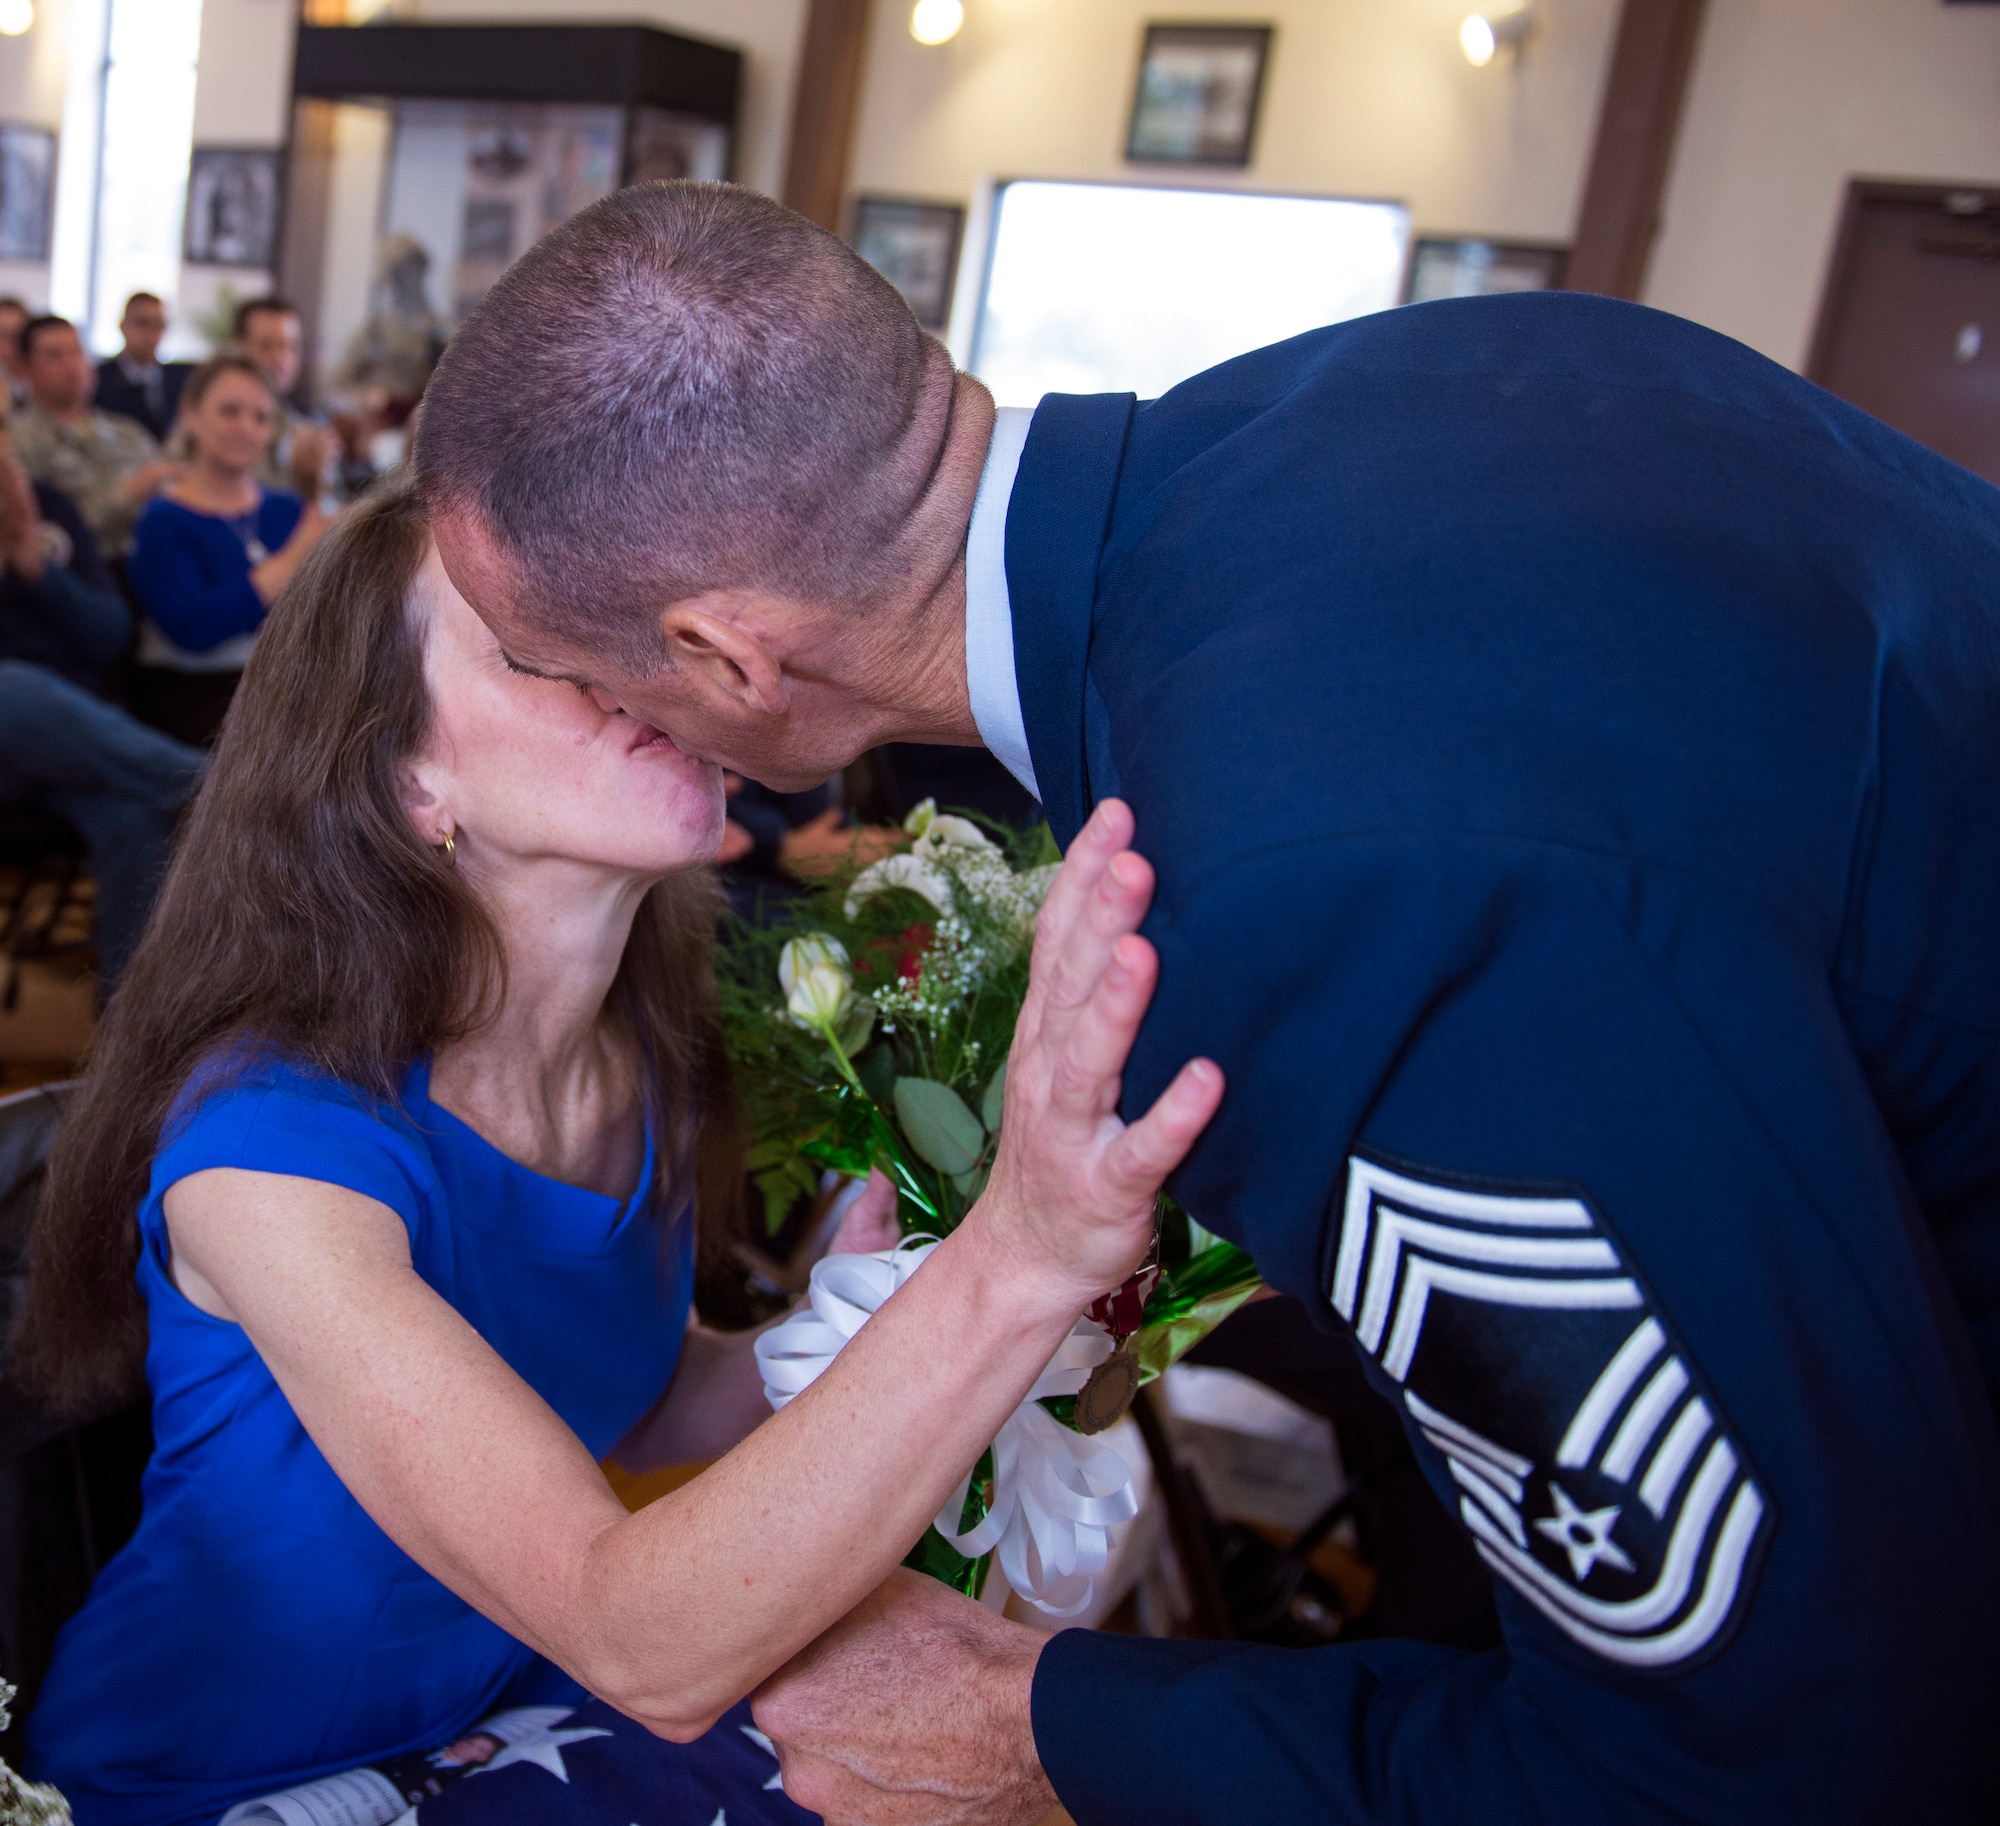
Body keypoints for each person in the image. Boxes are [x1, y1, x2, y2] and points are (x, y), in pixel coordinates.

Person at [411, 182, 2000, 1825]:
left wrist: (1044, 1738)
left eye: (589, 678)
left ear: (729, 657)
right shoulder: (1449, 368)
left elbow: (1787, 1761)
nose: (615, 728)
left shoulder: (1312, 874)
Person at [16, 484, 1219, 1820]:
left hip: (494, 1718)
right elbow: (630, 1628)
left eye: (645, 623)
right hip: (225, 1778)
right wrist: (1020, 1256)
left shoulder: (636, 1061)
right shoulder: (269, 1160)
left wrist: (847, 1313)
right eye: (544, 645)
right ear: (407, 775)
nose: (657, 675)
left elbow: (633, 1404)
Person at [127, 355, 330, 746]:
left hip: (288, 688)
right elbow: (193, 627)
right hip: (199, 696)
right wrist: (291, 559)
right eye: (230, 411)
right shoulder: (163, 520)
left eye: (260, 418)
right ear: (191, 413)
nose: (245, 428)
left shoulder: (286, 508)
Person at [0, 661, 205, 988]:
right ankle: (213, 786)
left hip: (68, 745)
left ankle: (128, 1014)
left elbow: (108, 636)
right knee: (10, 689)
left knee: (135, 820)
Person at [0, 387, 132, 695]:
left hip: (76, 706)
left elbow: (111, 634)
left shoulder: (46, 504)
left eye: (2, 424)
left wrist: (39, 570)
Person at [10, 316, 174, 555]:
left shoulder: (129, 432)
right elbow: (50, 531)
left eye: (77, 351)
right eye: (55, 356)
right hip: (80, 568)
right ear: (25, 368)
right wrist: (129, 493)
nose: (72, 365)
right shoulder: (19, 441)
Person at [231, 296, 335, 500]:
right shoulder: (210, 421)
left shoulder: (308, 430)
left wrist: (313, 480)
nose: (281, 359)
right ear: (238, 348)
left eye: (290, 347)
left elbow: (333, 517)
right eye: (267, 346)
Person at [94, 293, 194, 444]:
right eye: (142, 323)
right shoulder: (97, 380)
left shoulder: (182, 380)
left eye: (158, 325)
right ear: (123, 326)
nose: (151, 332)